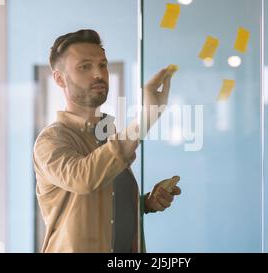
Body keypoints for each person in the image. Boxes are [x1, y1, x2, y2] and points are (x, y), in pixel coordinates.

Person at [33, 29, 181, 253]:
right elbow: (84, 178)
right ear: (59, 78)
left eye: (102, 65)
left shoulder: (107, 136)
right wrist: (146, 118)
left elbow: (103, 204)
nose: (98, 74)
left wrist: (146, 203)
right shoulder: (51, 140)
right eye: (85, 66)